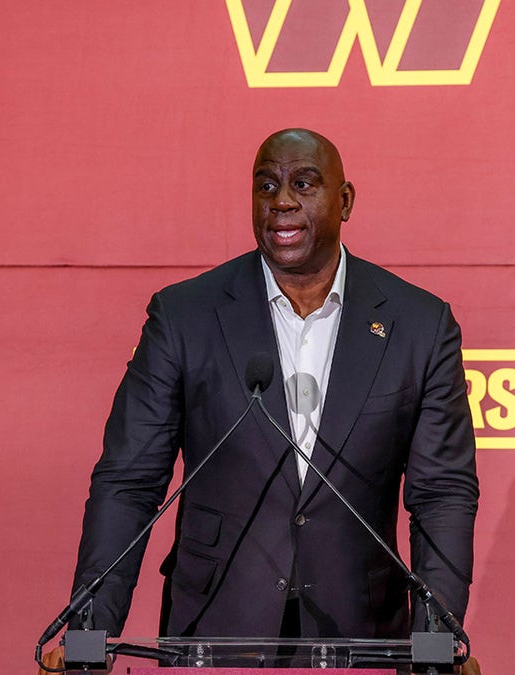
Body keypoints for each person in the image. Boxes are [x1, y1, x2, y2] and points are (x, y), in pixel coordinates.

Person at [72, 128, 478, 640]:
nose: (282, 201)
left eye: (304, 184)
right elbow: (128, 481)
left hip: (362, 631)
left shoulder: (418, 325)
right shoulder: (184, 316)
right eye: (266, 187)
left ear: (345, 200)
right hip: (217, 625)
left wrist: (437, 637)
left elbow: (442, 494)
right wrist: (88, 629)